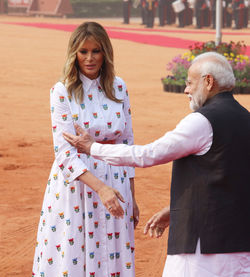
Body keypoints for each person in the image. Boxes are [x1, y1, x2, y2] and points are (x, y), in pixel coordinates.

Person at [63, 51, 250, 277]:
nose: (186, 90)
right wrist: (176, 211)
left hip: (203, 249)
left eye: (190, 83)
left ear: (208, 81)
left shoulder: (202, 121)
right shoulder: (245, 118)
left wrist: (93, 148)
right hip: (240, 246)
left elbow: (148, 154)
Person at [32, 21, 139, 277]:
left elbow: (127, 142)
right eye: (83, 52)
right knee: (76, 254)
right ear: (74, 54)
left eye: (96, 51)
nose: (89, 58)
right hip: (78, 184)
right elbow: (64, 154)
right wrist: (101, 189)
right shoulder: (62, 91)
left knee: (113, 252)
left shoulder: (119, 87)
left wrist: (132, 196)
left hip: (117, 180)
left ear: (105, 53)